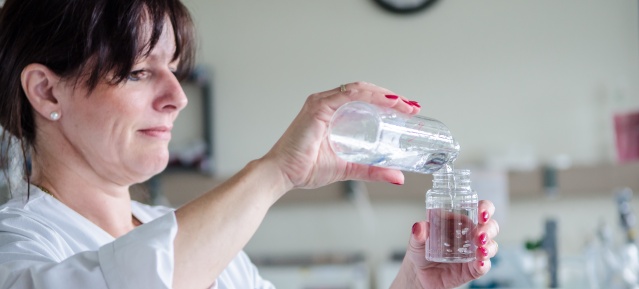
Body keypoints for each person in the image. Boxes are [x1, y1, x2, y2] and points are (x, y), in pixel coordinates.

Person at [0, 0, 499, 288]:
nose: (177, 98)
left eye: (174, 71)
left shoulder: (187, 234)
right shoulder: (17, 252)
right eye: (137, 72)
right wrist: (276, 171)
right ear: (46, 91)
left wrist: (415, 282)